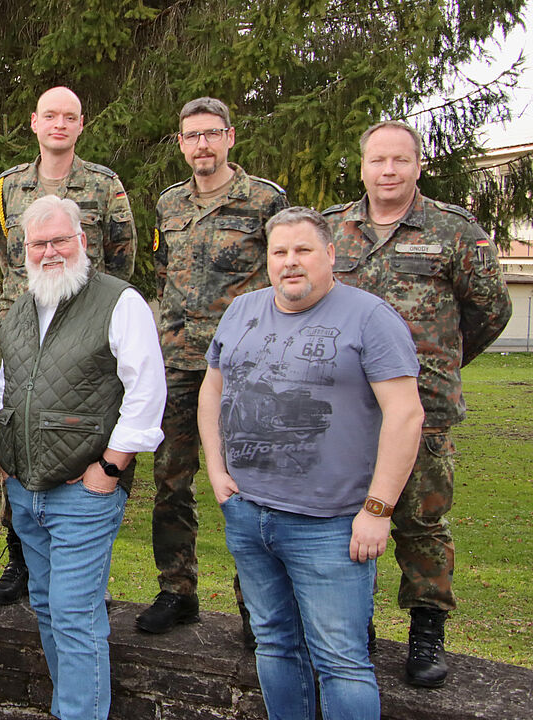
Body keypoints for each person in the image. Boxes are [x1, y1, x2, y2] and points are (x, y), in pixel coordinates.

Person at [199, 206, 424, 718]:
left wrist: (378, 508)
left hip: (332, 526)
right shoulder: (241, 310)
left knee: (341, 661)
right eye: (280, 252)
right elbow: (213, 389)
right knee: (274, 643)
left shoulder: (370, 317)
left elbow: (406, 415)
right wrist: (216, 468)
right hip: (249, 514)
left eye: (303, 250)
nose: (290, 262)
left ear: (330, 255)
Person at [323, 120, 512, 686]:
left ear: (417, 166)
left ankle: (427, 634)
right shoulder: (335, 229)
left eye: (400, 161)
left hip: (423, 405)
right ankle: (355, 627)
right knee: (341, 520)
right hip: (347, 407)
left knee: (421, 522)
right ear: (362, 166)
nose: (388, 171)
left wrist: (442, 361)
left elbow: (491, 312)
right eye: (377, 160)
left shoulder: (455, 231)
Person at [0, 195, 165, 720]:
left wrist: (111, 467)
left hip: (84, 492)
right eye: (38, 243)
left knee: (74, 615)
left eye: (59, 240)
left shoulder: (119, 301)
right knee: (46, 607)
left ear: (82, 242)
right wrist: (5, 459)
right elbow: (6, 387)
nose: (49, 252)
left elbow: (147, 391)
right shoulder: (21, 310)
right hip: (26, 491)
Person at [139, 97, 289, 637]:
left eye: (211, 133)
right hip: (178, 362)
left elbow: (283, 275)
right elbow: (164, 274)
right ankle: (177, 591)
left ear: (229, 137)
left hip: (245, 366)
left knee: (251, 486)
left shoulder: (265, 201)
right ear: (181, 144)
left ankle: (258, 609)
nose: (202, 144)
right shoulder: (169, 204)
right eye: (191, 136)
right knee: (171, 481)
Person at [0, 85, 141, 607]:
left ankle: (85, 520)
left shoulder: (104, 184)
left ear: (81, 124)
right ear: (34, 122)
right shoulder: (9, 184)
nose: (59, 123)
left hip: (82, 321)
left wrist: (96, 313)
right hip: (24, 325)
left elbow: (122, 256)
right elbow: (6, 253)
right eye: (49, 115)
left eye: (69, 116)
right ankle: (20, 558)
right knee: (21, 428)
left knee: (78, 422)